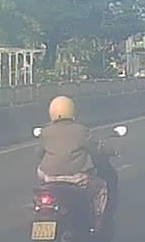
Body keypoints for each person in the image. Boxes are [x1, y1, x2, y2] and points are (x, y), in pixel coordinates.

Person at [37, 96, 113, 232]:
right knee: (101, 187)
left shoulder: (45, 131)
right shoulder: (81, 130)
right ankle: (98, 221)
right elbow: (94, 150)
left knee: (40, 173)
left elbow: (38, 153)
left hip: (49, 178)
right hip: (76, 179)